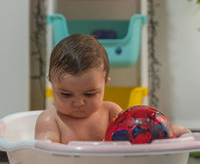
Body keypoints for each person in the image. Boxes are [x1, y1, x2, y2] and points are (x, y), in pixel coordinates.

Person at [35, 34, 190, 144]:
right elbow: (47, 155)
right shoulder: (50, 119)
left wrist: (164, 132)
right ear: (51, 83)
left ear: (105, 83)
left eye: (89, 94)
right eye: (66, 94)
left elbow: (136, 135)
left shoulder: (110, 112)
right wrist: (101, 148)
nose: (79, 102)